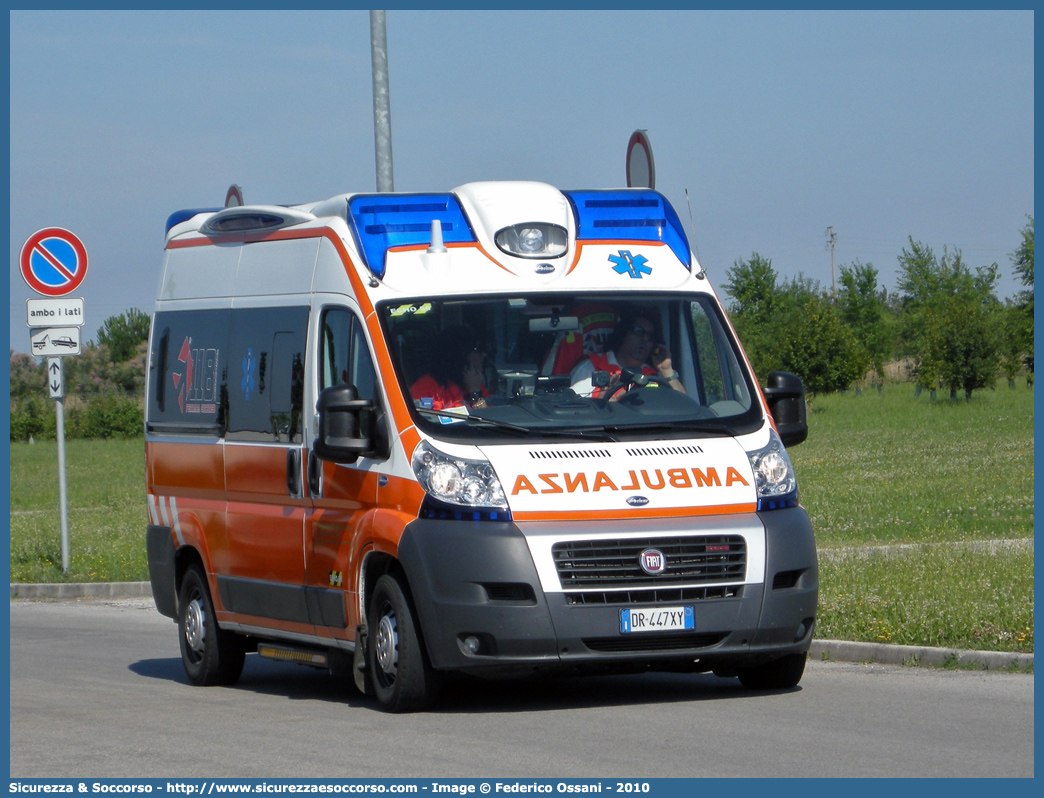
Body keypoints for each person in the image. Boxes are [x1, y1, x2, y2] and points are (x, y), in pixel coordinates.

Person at [569, 311, 685, 399]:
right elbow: (574, 413)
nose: (645, 339)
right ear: (624, 334)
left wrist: (667, 371)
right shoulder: (590, 367)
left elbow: (684, 408)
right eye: (639, 332)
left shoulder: (653, 375)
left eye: (650, 336)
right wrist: (602, 403)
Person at [410, 326, 490, 410]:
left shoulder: (474, 382)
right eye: (477, 350)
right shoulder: (426, 387)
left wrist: (475, 391)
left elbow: (487, 419)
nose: (484, 355)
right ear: (460, 354)